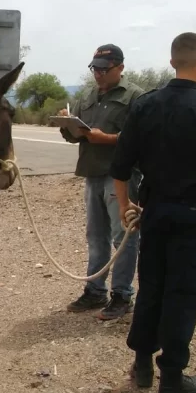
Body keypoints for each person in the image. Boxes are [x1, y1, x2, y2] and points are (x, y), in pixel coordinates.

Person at [109, 32, 196, 393]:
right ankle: (171, 381)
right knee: (181, 295)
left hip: (153, 215)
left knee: (151, 286)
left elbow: (119, 167)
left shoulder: (145, 105)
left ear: (172, 62)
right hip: (191, 220)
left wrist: (124, 206)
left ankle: (141, 367)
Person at [59, 43, 144, 321]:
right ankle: (95, 291)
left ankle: (122, 295)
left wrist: (106, 138)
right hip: (92, 172)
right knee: (96, 237)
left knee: (124, 237)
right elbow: (75, 136)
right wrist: (67, 125)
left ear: (120, 68)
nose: (98, 74)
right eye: (95, 68)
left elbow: (140, 138)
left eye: (104, 70)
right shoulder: (87, 96)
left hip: (121, 175)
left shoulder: (135, 97)